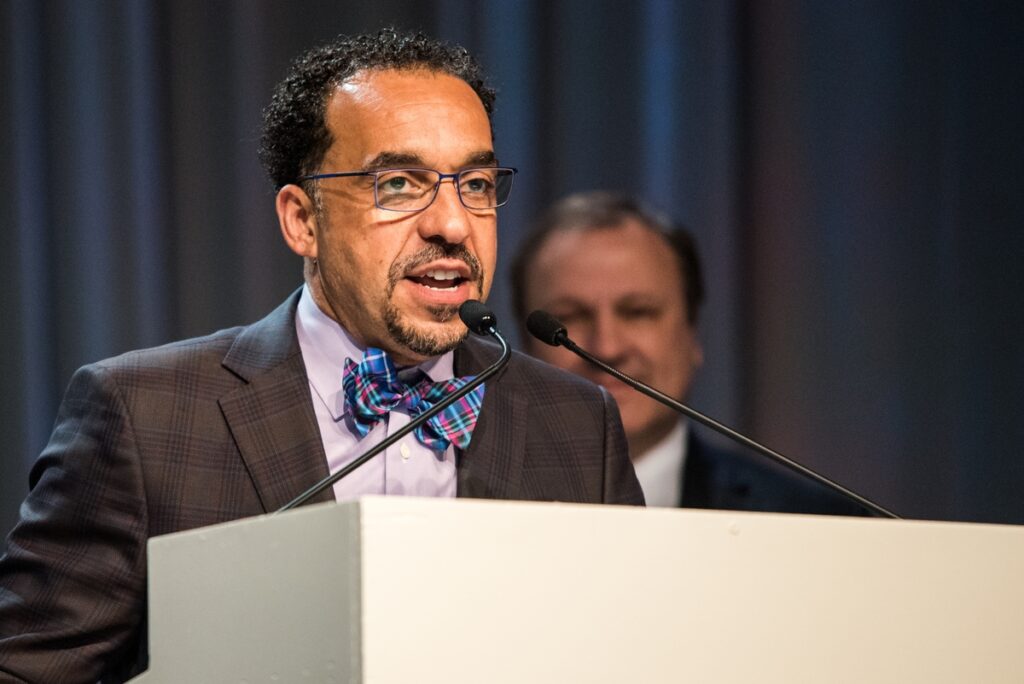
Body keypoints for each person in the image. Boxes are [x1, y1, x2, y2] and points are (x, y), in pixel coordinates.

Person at [0, 30, 642, 683]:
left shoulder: (577, 423)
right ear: (302, 220)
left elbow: (635, 658)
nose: (452, 224)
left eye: (475, 183)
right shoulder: (145, 417)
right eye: (398, 183)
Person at [511, 191, 867, 514]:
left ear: (691, 333)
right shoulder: (468, 507)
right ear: (524, 347)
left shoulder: (811, 523)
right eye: (570, 317)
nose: (608, 348)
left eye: (638, 312)